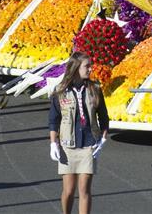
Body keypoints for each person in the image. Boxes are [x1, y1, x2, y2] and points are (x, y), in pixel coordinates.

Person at [48, 51, 109, 214]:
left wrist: (102, 140)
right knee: (68, 190)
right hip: (68, 146)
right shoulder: (60, 91)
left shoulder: (95, 89)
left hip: (89, 145)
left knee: (84, 190)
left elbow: (104, 117)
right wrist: (53, 143)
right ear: (75, 68)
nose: (90, 69)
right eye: (86, 66)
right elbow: (54, 119)